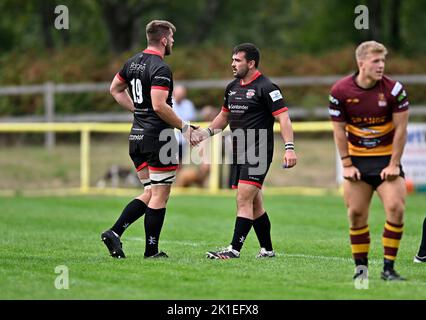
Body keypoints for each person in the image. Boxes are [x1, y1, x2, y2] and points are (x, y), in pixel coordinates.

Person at [101, 20, 196, 259]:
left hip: (136, 136)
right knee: (160, 195)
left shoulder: (131, 63)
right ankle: (151, 251)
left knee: (150, 191)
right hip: (159, 138)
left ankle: (114, 232)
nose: (173, 42)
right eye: (172, 38)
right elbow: (159, 105)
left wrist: (136, 111)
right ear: (164, 39)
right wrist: (185, 127)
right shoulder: (161, 68)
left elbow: (115, 89)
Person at [193, 43, 297, 259]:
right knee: (255, 203)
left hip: (258, 152)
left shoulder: (267, 87)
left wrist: (289, 148)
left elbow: (284, 118)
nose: (232, 64)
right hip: (238, 151)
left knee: (243, 199)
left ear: (251, 63)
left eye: (237, 60)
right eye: (232, 60)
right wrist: (205, 133)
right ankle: (267, 250)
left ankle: (233, 250)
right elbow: (223, 117)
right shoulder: (232, 87)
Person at [329, 41, 410, 280]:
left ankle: (388, 269)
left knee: (396, 208)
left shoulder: (395, 90)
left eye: (383, 61)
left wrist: (394, 163)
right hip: (357, 163)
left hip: (386, 161)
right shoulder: (340, 91)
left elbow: (401, 130)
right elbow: (338, 131)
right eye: (376, 61)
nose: (381, 65)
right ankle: (361, 271)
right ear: (361, 63)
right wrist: (346, 164)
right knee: (355, 214)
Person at [172, 85, 197, 162]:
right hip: (171, 138)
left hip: (183, 140)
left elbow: (192, 120)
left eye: (181, 94)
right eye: (178, 94)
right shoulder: (168, 103)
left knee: (181, 162)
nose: (180, 96)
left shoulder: (188, 104)